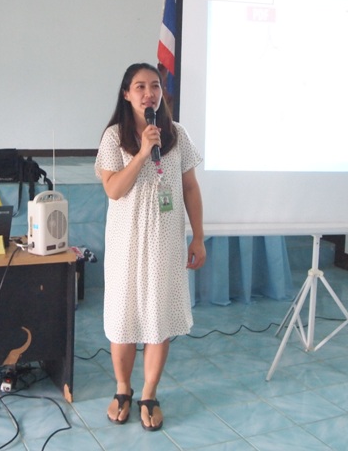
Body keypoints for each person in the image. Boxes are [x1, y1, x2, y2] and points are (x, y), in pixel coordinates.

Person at [95, 62, 206, 431]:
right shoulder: (114, 137)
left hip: (165, 242)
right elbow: (113, 189)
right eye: (140, 86)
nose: (149, 93)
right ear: (127, 94)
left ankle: (149, 393)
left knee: (158, 319)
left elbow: (190, 187)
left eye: (155, 86)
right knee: (123, 319)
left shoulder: (177, 135)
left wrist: (198, 236)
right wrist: (142, 153)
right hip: (125, 243)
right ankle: (122, 389)